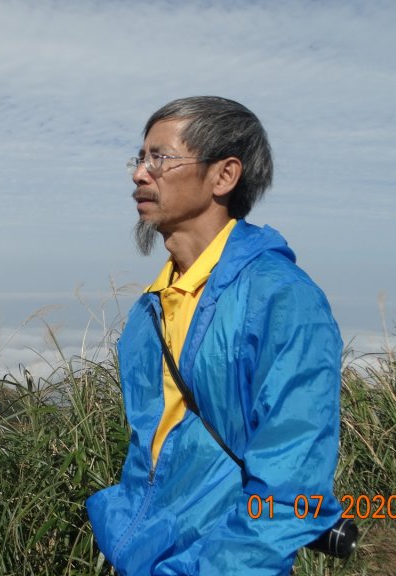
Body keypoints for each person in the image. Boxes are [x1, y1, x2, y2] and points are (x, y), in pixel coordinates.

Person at [86, 96, 343, 575]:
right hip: (140, 556)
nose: (140, 174)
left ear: (224, 176)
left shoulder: (282, 300)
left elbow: (292, 490)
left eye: (159, 158)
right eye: (139, 159)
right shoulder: (151, 310)